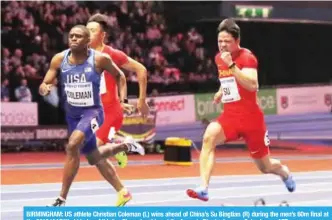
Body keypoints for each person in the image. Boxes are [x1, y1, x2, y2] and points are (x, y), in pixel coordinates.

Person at [186, 18, 296, 202]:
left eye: (227, 41)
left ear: (237, 41)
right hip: (230, 117)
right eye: (220, 41)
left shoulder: (247, 58)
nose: (222, 45)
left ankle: (284, 173)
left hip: (252, 120)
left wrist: (231, 65)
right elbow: (228, 80)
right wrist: (221, 91)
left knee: (265, 167)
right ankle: (204, 187)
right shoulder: (219, 58)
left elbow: (253, 84)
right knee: (208, 137)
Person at [39, 25, 145, 207]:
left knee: (72, 145)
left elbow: (120, 77)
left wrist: (123, 100)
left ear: (87, 42)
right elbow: (45, 83)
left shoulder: (100, 59)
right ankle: (123, 183)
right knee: (93, 157)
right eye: (71, 36)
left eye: (78, 36)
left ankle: (61, 199)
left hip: (93, 112)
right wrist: (44, 88)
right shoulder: (59, 59)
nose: (73, 39)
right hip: (73, 116)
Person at [86, 13, 149, 206]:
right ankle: (122, 191)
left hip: (111, 113)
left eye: (93, 31)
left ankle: (123, 146)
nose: (87, 34)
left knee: (92, 153)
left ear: (102, 35)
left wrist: (141, 100)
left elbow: (141, 70)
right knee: (95, 158)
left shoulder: (112, 54)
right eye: (86, 30)